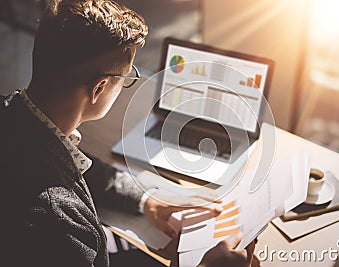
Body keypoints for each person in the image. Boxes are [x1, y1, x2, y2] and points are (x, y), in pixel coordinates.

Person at [0, 0, 255, 266]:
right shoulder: (58, 218)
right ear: (99, 89)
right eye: (126, 78)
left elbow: (72, 162)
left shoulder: (13, 118)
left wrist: (146, 201)